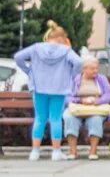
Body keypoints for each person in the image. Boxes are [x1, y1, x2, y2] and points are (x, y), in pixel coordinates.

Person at [13, 21, 83, 162]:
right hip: (59, 88)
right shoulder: (66, 51)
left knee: (39, 118)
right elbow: (79, 63)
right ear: (62, 38)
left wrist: (29, 71)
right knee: (55, 119)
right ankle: (56, 152)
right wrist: (71, 75)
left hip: (39, 87)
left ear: (48, 36)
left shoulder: (36, 48)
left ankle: (35, 152)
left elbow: (18, 57)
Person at [63, 55, 110, 161]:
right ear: (84, 69)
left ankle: (93, 151)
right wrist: (80, 100)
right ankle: (73, 151)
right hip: (77, 107)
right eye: (92, 68)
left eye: (97, 68)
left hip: (96, 108)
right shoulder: (74, 79)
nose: (95, 71)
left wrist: (97, 101)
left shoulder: (102, 79)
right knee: (69, 117)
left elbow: (109, 95)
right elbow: (66, 97)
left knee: (95, 120)